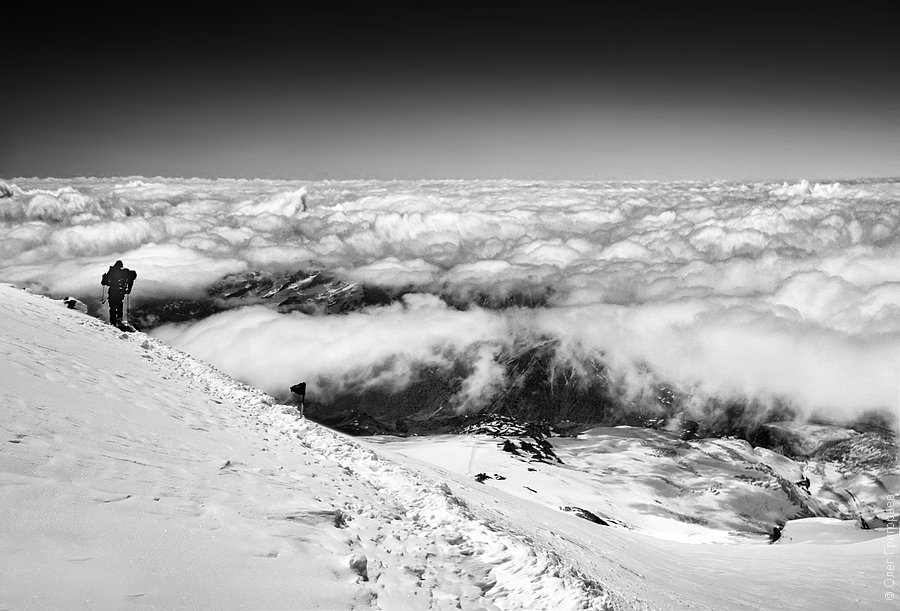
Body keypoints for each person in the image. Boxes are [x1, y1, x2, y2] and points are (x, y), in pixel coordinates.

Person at [101, 260, 137, 328]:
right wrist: (128, 289)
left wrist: (105, 278)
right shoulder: (126, 272)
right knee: (119, 306)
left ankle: (113, 323)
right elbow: (130, 280)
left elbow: (105, 283)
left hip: (112, 291)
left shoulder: (112, 271)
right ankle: (119, 321)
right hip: (121, 292)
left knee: (112, 307)